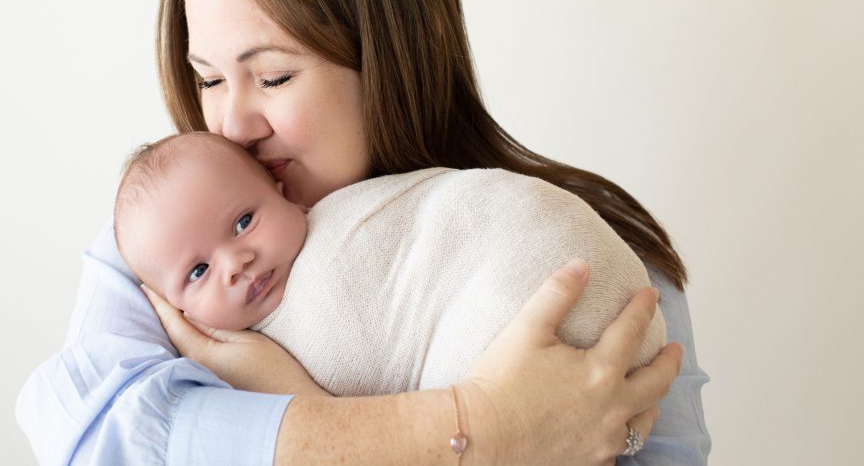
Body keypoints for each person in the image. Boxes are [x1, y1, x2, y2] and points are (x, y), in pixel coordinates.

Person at [17, 0, 709, 464]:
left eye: (274, 76)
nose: (230, 122)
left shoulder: (588, 250)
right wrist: (476, 428)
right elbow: (99, 440)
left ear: (404, 47)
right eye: (208, 78)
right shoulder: (169, 237)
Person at [113, 131, 667, 397]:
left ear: (282, 192)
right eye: (198, 272)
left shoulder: (349, 225)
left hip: (554, 276)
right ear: (173, 307)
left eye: (242, 223)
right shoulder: (178, 331)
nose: (237, 262)